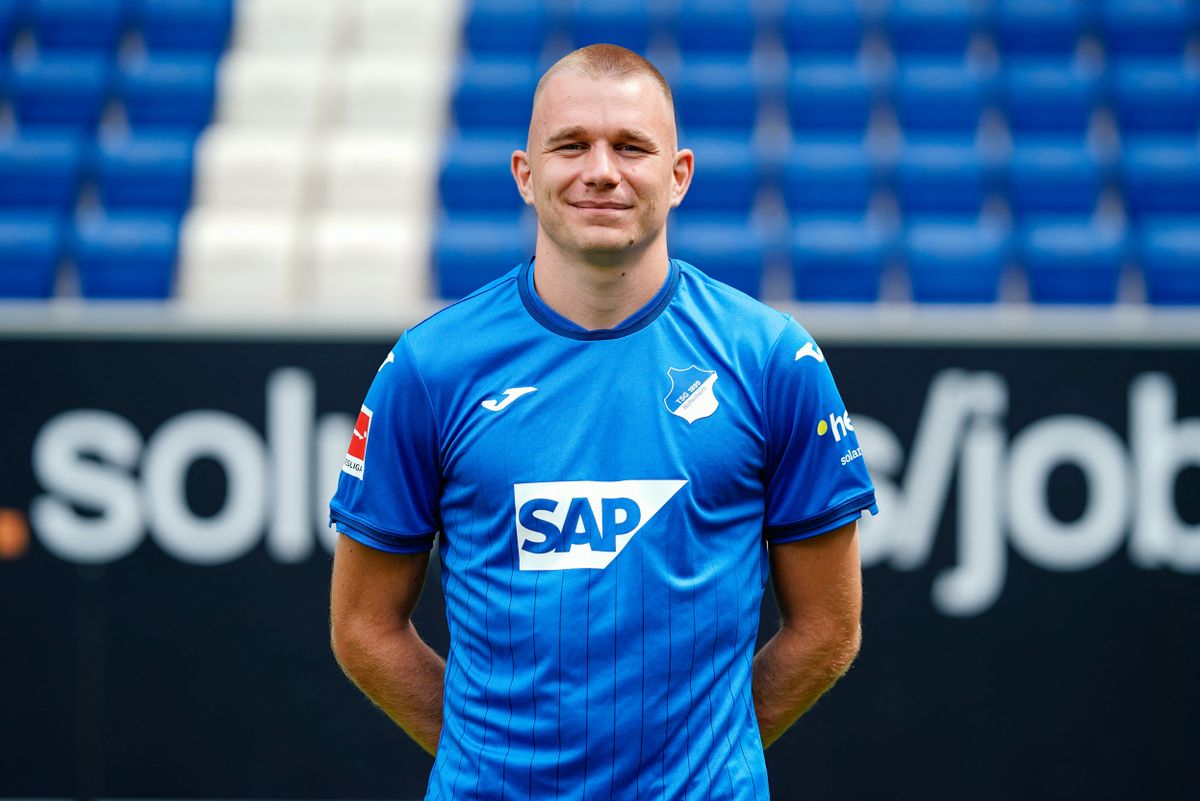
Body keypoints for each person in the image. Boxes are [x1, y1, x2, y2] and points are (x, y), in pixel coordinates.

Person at [328, 43, 876, 800]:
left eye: (631, 147)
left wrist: (695, 764)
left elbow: (828, 628)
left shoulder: (773, 360)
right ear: (526, 173)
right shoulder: (430, 367)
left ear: (678, 175)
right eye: (571, 145)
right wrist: (497, 760)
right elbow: (363, 626)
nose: (601, 171)